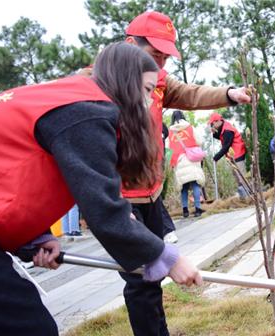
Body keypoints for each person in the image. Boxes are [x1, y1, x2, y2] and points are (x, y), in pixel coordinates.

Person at [0, 42, 202, 336]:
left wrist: (34, 238)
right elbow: (104, 211)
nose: (149, 103)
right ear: (125, 82)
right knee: (30, 327)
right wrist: (165, 256)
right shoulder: (85, 112)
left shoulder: (66, 101)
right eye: (147, 90)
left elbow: (5, 174)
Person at [78, 11, 251, 335]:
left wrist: (228, 94)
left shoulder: (155, 77)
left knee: (154, 275)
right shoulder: (93, 85)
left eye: (164, 58)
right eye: (154, 56)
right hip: (120, 200)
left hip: (151, 192)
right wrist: (111, 207)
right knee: (141, 279)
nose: (160, 68)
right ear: (131, 44)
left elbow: (189, 93)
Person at [168, 110, 206, 217]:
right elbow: (200, 140)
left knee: (183, 186)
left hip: (178, 161)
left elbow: (167, 147)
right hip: (191, 159)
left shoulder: (171, 132)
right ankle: (198, 209)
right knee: (195, 184)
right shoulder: (189, 127)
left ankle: (185, 210)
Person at [208, 112, 249, 198]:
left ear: (217, 121)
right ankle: (244, 196)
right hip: (232, 155)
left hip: (237, 153)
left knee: (241, 177)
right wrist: (214, 133)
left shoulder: (227, 130)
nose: (212, 125)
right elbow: (221, 137)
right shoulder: (223, 127)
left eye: (212, 124)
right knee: (237, 177)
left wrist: (216, 157)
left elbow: (226, 146)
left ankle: (249, 196)